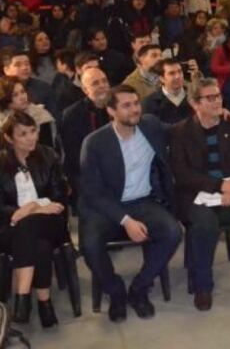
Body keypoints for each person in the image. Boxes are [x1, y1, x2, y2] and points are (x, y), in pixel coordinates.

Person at [78, 85, 182, 322]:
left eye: (136, 103)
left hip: (143, 201)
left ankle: (139, 288)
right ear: (111, 111)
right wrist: (126, 221)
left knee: (173, 232)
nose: (135, 109)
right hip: (106, 206)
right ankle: (116, 292)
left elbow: (181, 129)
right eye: (126, 105)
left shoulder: (150, 126)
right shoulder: (94, 142)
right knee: (90, 244)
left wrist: (213, 113)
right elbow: (92, 192)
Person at [169, 79, 230, 310]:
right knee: (205, 226)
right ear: (195, 103)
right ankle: (203, 287)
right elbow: (182, 173)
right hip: (198, 195)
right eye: (210, 98)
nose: (217, 101)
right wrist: (219, 185)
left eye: (218, 96)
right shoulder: (180, 132)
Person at [0, 111, 69, 327]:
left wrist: (31, 207)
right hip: (11, 226)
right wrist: (28, 211)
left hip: (50, 222)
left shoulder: (49, 156)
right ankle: (44, 302)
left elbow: (59, 196)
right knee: (39, 244)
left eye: (33, 131)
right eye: (23, 134)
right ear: (9, 138)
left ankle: (22, 299)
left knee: (28, 224)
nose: (31, 137)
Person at [61, 67, 111, 203]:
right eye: (95, 83)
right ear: (85, 89)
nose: (102, 86)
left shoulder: (117, 106)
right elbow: (74, 155)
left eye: (104, 81)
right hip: (87, 172)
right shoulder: (72, 115)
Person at [142, 58, 195, 124]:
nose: (178, 76)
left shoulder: (195, 97)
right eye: (172, 73)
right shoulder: (149, 104)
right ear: (162, 78)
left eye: (180, 71)